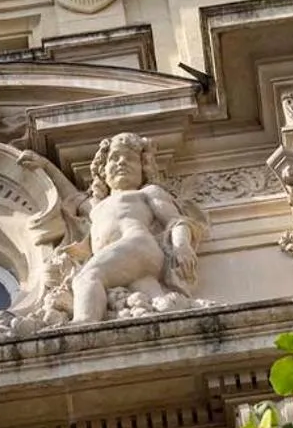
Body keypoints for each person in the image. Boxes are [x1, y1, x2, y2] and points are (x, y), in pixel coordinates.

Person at [68, 133, 199, 323]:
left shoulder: (147, 192)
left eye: (130, 158)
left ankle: (83, 323)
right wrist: (44, 166)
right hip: (129, 264)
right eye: (114, 158)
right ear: (103, 171)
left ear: (143, 168)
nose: (122, 162)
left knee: (87, 277)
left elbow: (176, 221)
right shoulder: (96, 206)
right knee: (156, 305)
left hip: (138, 245)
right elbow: (67, 194)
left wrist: (182, 246)